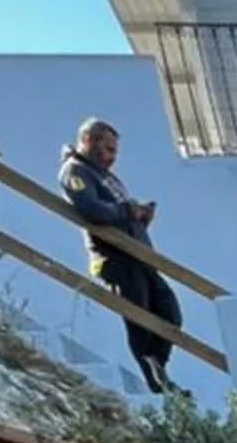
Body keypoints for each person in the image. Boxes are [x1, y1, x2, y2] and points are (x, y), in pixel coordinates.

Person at [58, 119, 183, 394]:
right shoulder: (75, 171)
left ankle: (158, 371)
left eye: (115, 152)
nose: (113, 157)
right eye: (108, 149)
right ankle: (156, 380)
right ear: (89, 141)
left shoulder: (106, 176)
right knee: (139, 318)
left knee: (170, 313)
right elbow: (91, 209)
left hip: (139, 254)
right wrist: (128, 211)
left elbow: (118, 212)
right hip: (115, 258)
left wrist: (140, 217)